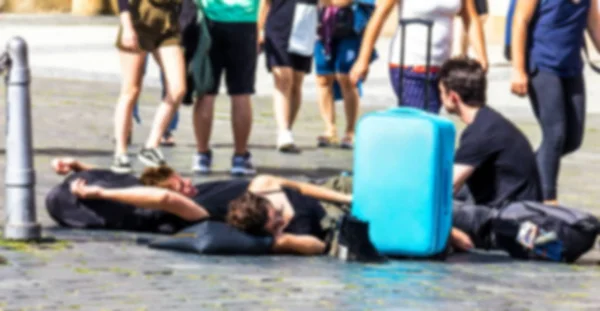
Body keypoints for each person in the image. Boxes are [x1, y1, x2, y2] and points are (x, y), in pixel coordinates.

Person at [52, 157, 474, 255]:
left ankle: (453, 215)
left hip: (320, 190)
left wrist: (85, 169)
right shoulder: (187, 212)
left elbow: (139, 181)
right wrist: (98, 194)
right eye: (179, 185)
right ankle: (449, 227)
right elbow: (158, 196)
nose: (185, 185)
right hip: (322, 213)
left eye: (181, 178)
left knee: (390, 185)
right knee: (426, 219)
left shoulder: (197, 191)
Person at [510, 0, 600, 205]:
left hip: (571, 66)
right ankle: (548, 201)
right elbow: (520, 20)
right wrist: (518, 69)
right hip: (542, 64)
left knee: (573, 138)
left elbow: (594, 22)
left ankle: (520, 173)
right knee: (555, 135)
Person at [349, 0, 488, 113]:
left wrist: (481, 55)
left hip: (442, 67)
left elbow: (471, 17)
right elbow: (379, 16)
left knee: (428, 119)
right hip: (409, 64)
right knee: (421, 119)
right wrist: (363, 60)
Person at [439, 57, 542, 207]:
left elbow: (447, 187)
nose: (440, 98)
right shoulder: (489, 120)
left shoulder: (479, 133)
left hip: (511, 219)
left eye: (441, 92)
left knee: (435, 207)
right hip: (521, 206)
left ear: (453, 97)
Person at [112, 0, 187, 173]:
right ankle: (120, 153)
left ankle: (151, 146)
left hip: (168, 25)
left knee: (178, 88)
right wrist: (127, 26)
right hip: (139, 22)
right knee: (131, 90)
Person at [192, 0, 259, 176]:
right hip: (245, 20)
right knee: (241, 93)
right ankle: (240, 156)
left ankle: (202, 155)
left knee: (206, 92)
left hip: (211, 19)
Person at [258, 0, 319, 153]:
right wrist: (258, 28)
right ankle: (284, 132)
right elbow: (265, 2)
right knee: (284, 79)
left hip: (305, 26)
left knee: (296, 83)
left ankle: (287, 129)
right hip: (279, 26)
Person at [314, 0, 375, 149]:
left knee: (347, 78)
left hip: (351, 29)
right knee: (323, 78)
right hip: (323, 28)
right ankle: (330, 129)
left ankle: (351, 131)